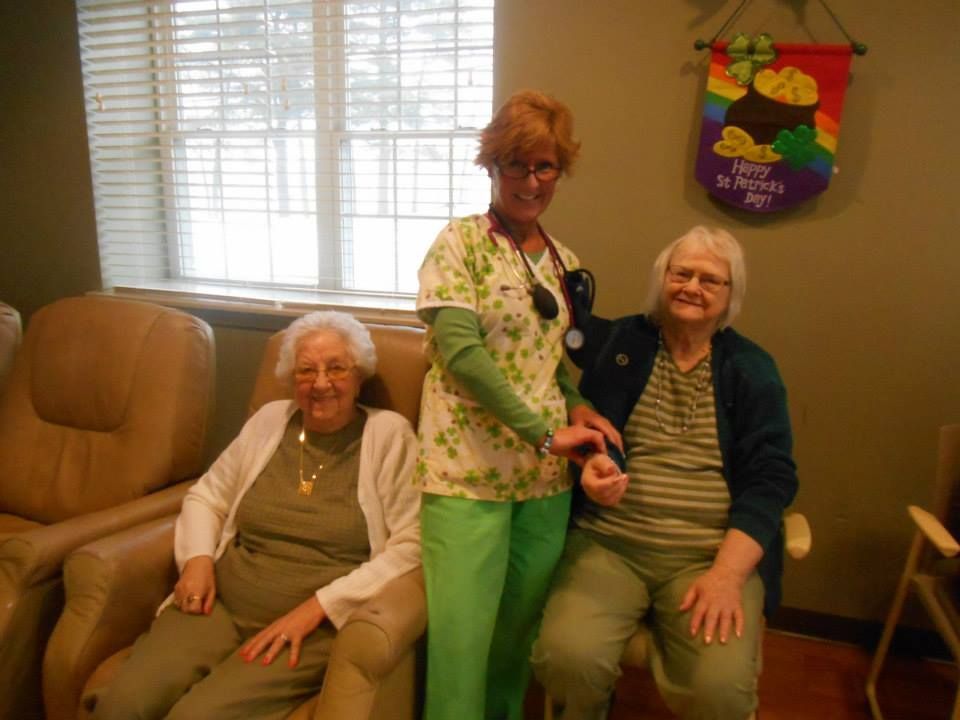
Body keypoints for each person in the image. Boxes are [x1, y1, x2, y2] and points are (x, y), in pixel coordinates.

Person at [89, 311, 420, 720]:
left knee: (197, 716)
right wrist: (196, 561)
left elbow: (412, 544)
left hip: (309, 627)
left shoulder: (389, 435)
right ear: (290, 377)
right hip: (220, 604)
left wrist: (317, 607)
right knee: (123, 705)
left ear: (359, 376)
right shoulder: (269, 421)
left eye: (336, 368)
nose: (320, 383)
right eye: (306, 370)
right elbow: (206, 496)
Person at [531, 226, 798, 720]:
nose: (692, 287)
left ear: (730, 294)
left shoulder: (752, 369)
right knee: (567, 659)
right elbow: (590, 426)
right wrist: (592, 468)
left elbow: (772, 478)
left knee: (720, 691)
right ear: (663, 279)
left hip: (707, 556)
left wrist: (726, 574)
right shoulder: (622, 345)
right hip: (608, 545)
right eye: (682, 273)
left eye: (710, 280)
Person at [414, 89, 621, 720]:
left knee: (515, 637)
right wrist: (543, 432)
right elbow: (465, 356)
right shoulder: (460, 245)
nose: (531, 181)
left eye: (545, 166)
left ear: (561, 170)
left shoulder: (566, 263)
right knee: (461, 642)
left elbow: (550, 362)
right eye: (516, 165)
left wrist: (578, 406)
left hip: (541, 486)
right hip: (467, 478)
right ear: (491, 167)